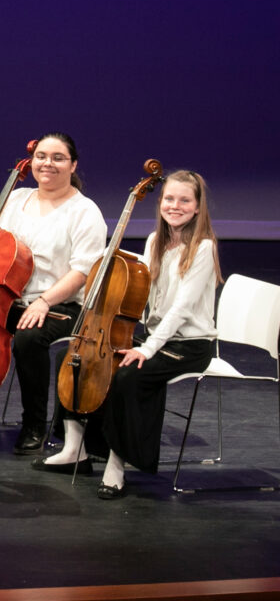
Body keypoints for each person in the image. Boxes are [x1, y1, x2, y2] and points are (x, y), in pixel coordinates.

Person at [0, 133, 107, 453]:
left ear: (73, 165)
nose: (47, 164)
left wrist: (43, 301)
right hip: (7, 298)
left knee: (29, 338)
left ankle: (33, 424)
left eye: (57, 157)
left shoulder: (84, 211)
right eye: (41, 156)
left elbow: (81, 272)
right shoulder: (14, 199)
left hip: (61, 305)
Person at [54, 171, 219, 497]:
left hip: (190, 345)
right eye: (169, 199)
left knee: (128, 373)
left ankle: (118, 463)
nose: (175, 206)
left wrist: (147, 349)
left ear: (198, 207)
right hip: (158, 336)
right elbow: (147, 297)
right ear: (160, 203)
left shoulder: (203, 248)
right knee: (73, 354)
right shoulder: (155, 242)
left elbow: (181, 309)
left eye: (185, 200)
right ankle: (77, 450)